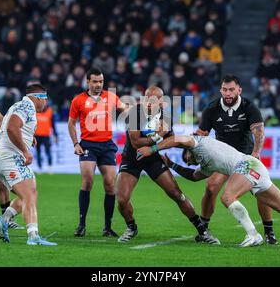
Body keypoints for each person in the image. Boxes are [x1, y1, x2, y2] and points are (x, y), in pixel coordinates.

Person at [136, 135, 280, 247]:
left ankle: (253, 234)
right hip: (253, 167)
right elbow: (193, 177)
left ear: (189, 150)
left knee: (227, 196)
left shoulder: (197, 142)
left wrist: (153, 149)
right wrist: (172, 165)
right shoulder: (205, 165)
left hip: (247, 165)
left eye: (188, 157)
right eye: (188, 161)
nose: (189, 160)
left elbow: (177, 139)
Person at [116, 86, 219, 244]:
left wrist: (190, 143)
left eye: (153, 100)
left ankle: (203, 231)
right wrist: (158, 135)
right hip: (132, 159)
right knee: (122, 199)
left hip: (153, 159)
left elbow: (170, 140)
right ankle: (131, 227)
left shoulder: (166, 117)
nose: (148, 103)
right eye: (146, 98)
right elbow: (136, 142)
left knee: (177, 194)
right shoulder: (135, 113)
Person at [195, 75, 277, 244]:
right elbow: (201, 135)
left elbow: (259, 133)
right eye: (225, 90)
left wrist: (256, 153)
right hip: (223, 157)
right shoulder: (212, 109)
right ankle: (204, 228)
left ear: (239, 90)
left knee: (261, 192)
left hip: (246, 157)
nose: (228, 93)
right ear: (220, 91)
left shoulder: (249, 107)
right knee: (211, 187)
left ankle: (269, 232)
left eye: (231, 89)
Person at [0, 84, 57, 246]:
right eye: (44, 98)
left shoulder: (17, 105)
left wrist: (27, 138)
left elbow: (0, 130)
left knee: (31, 192)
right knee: (29, 195)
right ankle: (33, 235)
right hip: (11, 158)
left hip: (3, 158)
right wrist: (24, 150)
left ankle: (3, 220)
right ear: (36, 98)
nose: (46, 102)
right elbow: (12, 127)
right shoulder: (27, 106)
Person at [68, 68, 128, 238]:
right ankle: (81, 225)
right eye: (95, 81)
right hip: (88, 145)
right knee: (87, 181)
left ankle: (107, 227)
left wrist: (141, 108)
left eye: (101, 81)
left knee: (110, 184)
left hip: (107, 145)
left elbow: (126, 109)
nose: (98, 84)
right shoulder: (78, 100)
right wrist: (75, 143)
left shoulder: (110, 97)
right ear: (88, 82)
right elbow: (71, 124)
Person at [35, 102, 58, 174]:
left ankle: (50, 167)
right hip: (37, 135)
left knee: (48, 152)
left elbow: (53, 125)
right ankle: (39, 167)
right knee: (38, 152)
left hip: (46, 135)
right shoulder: (35, 111)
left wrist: (55, 135)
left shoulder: (50, 111)